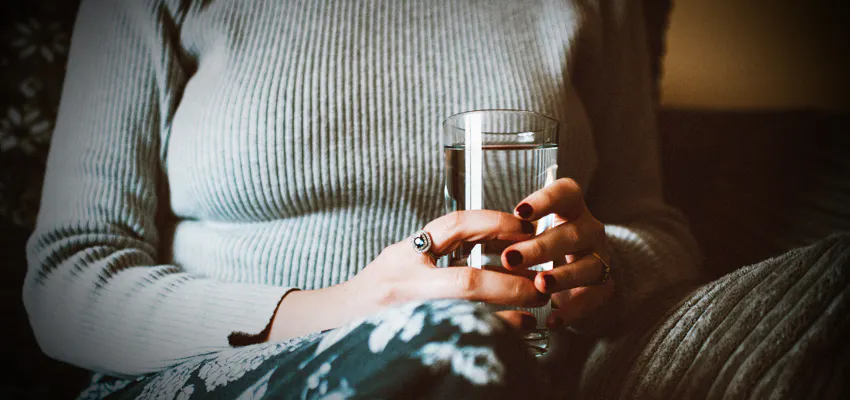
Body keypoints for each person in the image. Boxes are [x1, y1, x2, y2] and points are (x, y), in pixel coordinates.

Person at [24, 0, 849, 398]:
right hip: (222, 375)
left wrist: (606, 270)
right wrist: (343, 309)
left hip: (525, 367)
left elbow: (654, 224)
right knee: (449, 341)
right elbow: (69, 276)